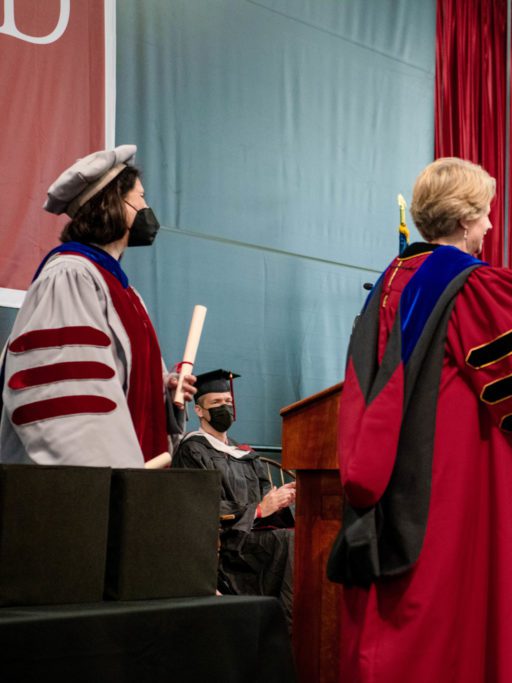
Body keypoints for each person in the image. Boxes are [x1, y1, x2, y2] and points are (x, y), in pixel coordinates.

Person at [331, 157, 512, 683]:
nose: (490, 225)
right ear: (465, 219)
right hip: (446, 471)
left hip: (392, 468)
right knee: (441, 604)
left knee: (394, 608)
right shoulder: (467, 285)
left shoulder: (393, 279)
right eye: (486, 213)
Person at [0, 145, 194, 466]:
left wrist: (164, 388)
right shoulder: (70, 275)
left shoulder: (125, 290)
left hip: (135, 477)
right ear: (114, 204)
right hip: (92, 484)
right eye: (141, 197)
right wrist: (109, 476)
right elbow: (69, 392)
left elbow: (118, 377)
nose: (147, 208)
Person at [172, 369, 295, 626]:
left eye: (228, 402)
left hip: (253, 535)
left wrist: (282, 498)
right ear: (199, 411)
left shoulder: (243, 453)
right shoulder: (192, 449)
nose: (224, 408)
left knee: (304, 537)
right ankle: (283, 627)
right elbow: (197, 506)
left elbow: (264, 492)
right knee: (290, 541)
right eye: (216, 403)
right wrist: (259, 510)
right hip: (225, 543)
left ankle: (298, 623)